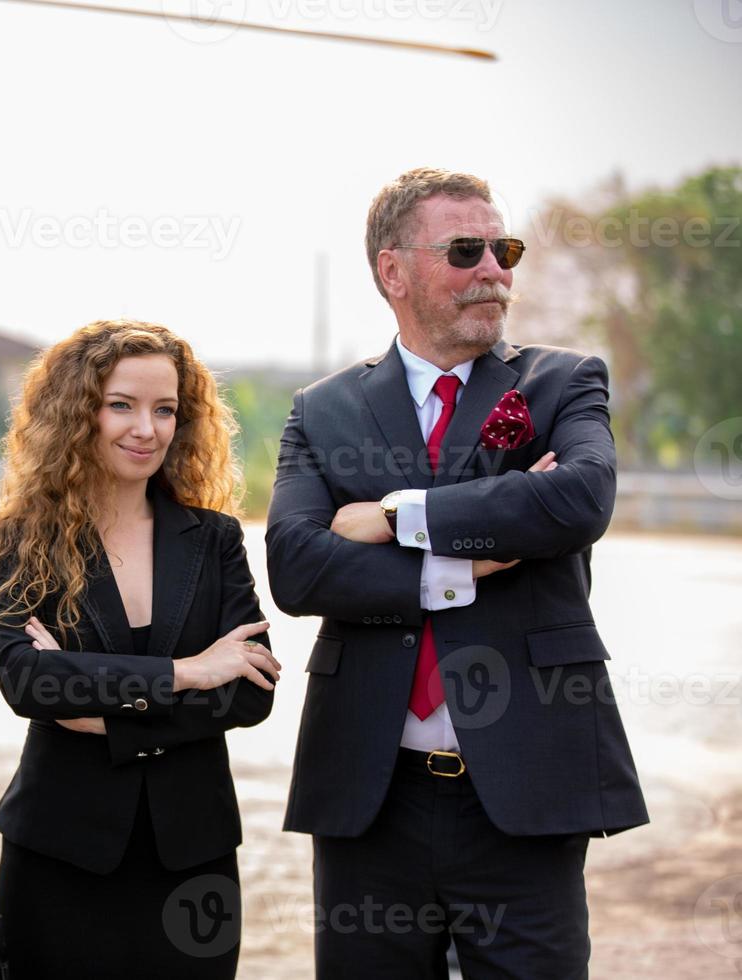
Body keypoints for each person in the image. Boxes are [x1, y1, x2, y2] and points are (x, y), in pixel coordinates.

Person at [266, 168, 648, 978]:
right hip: (371, 796)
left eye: (504, 249)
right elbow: (296, 567)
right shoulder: (322, 410)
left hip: (526, 785)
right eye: (466, 251)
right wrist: (463, 568)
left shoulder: (562, 381)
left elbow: (578, 500)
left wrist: (397, 516)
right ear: (393, 272)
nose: (495, 271)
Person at [0, 319, 281, 979]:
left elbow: (249, 692)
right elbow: (30, 686)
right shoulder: (26, 538)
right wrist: (188, 672)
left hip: (193, 860)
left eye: (165, 409)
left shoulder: (214, 539)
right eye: (122, 406)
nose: (147, 428)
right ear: (79, 414)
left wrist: (93, 702)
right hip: (61, 855)